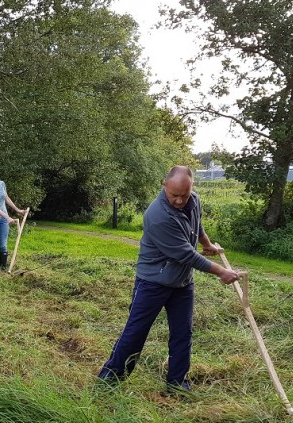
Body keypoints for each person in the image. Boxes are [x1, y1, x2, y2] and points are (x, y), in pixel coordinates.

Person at [97, 166, 239, 390]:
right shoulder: (157, 216)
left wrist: (206, 243)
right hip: (153, 282)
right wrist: (221, 271)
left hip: (182, 282)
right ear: (164, 186)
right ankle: (110, 381)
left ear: (191, 188)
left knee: (183, 333)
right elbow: (186, 254)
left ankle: (177, 383)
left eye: (185, 195)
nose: (180, 200)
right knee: (136, 332)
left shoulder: (194, 200)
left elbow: (196, 225)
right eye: (174, 195)